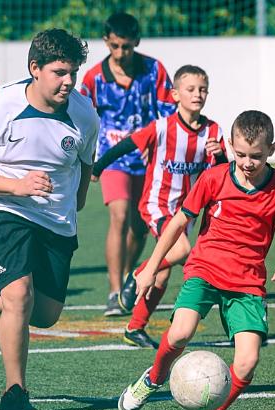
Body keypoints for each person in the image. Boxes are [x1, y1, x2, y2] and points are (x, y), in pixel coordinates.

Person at [116, 110, 275, 410]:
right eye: (241, 154)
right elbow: (176, 224)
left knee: (248, 362)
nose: (247, 162)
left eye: (256, 156)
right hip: (205, 269)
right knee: (178, 334)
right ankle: (153, 379)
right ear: (229, 145)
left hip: (247, 283)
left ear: (271, 149)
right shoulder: (214, 178)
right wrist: (152, 268)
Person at [0, 29, 98, 410]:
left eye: (73, 73)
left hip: (56, 220)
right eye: (59, 72)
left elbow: (86, 163)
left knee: (46, 313)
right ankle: (14, 394)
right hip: (4, 210)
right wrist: (17, 186)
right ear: (35, 69)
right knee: (18, 296)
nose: (69, 81)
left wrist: (78, 199)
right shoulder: (0, 106)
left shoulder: (83, 113)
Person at [91, 65, 227, 348]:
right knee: (180, 250)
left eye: (202, 89)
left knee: (164, 272)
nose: (197, 94)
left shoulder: (213, 131)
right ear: (175, 94)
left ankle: (134, 327)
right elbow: (128, 144)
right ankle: (136, 277)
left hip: (186, 211)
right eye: (190, 89)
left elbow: (223, 173)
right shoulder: (163, 127)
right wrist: (99, 166)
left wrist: (222, 155)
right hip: (157, 205)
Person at [80, 12, 176, 316]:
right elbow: (83, 119)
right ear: (106, 41)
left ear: (136, 42)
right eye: (115, 46)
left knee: (139, 227)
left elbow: (169, 114)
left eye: (127, 47)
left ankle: (127, 276)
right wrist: (89, 158)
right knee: (119, 216)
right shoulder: (93, 78)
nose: (121, 53)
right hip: (114, 159)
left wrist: (158, 145)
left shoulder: (155, 70)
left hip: (149, 162)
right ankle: (114, 291)